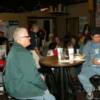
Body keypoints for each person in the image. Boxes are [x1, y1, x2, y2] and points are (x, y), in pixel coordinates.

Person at [3, 27, 56, 100]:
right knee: (50, 97)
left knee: (40, 76)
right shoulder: (23, 53)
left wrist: (39, 76)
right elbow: (33, 77)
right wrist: (44, 86)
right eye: (27, 36)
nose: (30, 38)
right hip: (20, 90)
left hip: (13, 86)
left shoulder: (14, 49)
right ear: (20, 39)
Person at [78, 27, 100, 100]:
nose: (98, 38)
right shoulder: (88, 45)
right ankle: (90, 91)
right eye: (96, 37)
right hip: (90, 66)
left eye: (99, 36)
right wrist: (91, 61)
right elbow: (84, 57)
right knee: (81, 76)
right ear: (91, 37)